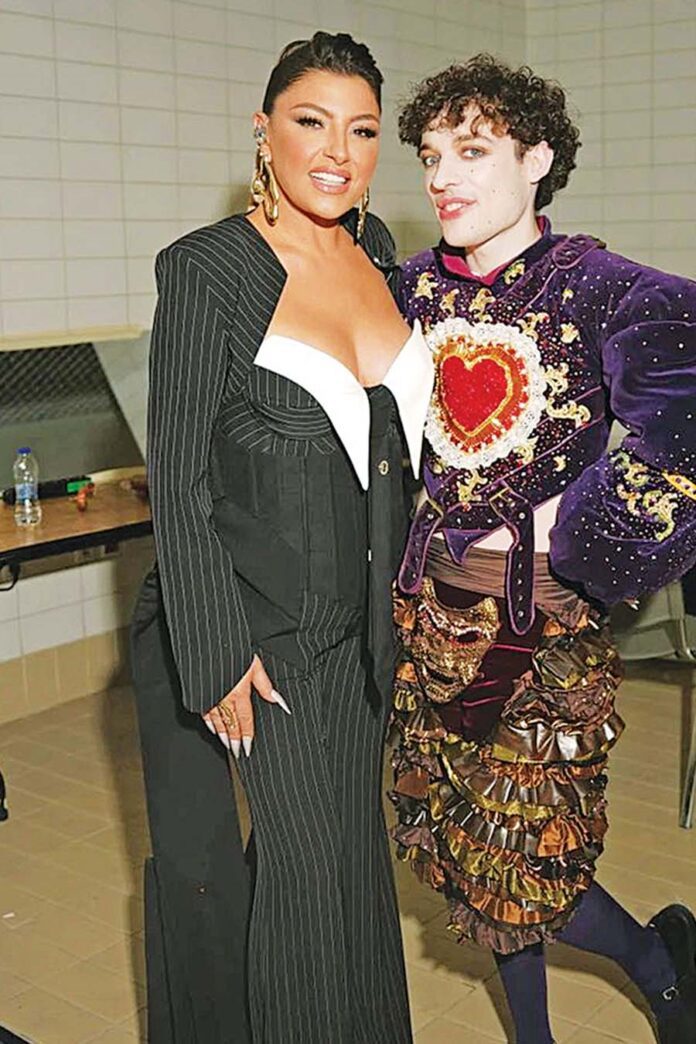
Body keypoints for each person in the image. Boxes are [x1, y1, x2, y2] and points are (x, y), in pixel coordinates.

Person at [131, 31, 434, 1044]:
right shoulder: (208, 269)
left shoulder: (380, 258)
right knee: (306, 882)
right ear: (264, 132)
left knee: (356, 868)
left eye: (363, 130)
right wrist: (216, 650)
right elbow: (178, 479)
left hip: (370, 636)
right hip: (268, 639)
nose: (338, 152)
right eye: (312, 122)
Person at [389, 54, 696, 1044]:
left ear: (537, 159)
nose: (443, 176)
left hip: (539, 627)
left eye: (472, 150)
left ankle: (656, 962)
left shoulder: (599, 286)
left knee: (526, 860)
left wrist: (570, 525)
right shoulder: (412, 289)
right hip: (431, 619)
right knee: (476, 853)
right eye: (431, 155)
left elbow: (683, 413)